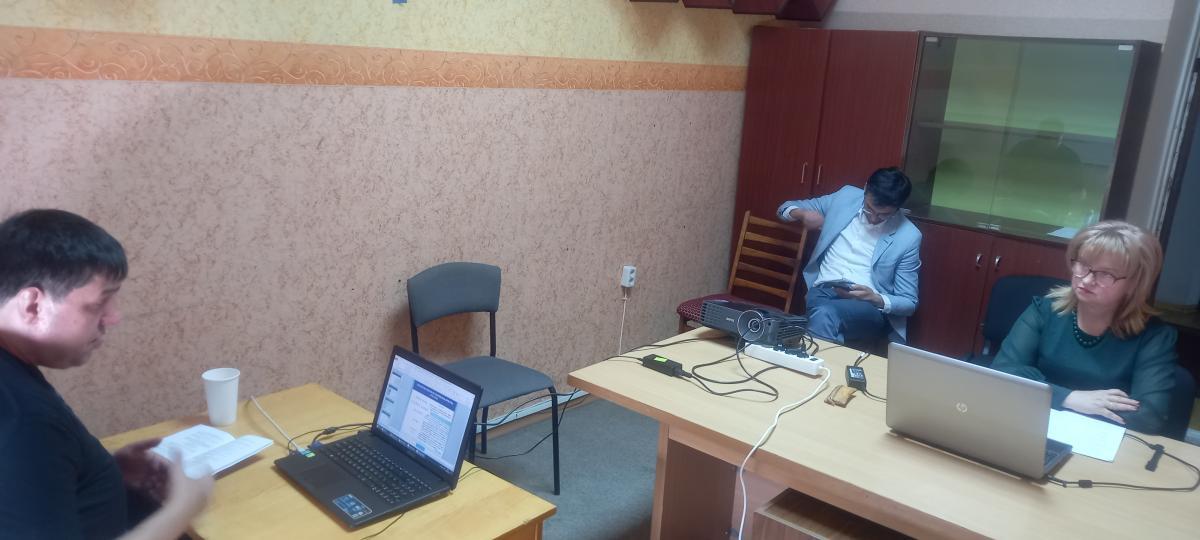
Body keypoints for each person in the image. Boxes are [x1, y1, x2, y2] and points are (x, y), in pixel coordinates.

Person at [0, 209, 213, 538]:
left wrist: (101, 474)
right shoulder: (23, 422)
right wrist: (184, 507)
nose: (114, 318)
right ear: (33, 306)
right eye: (100, 303)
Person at [991, 220, 1178, 435]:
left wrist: (1040, 388)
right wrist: (1070, 398)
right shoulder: (1044, 310)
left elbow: (1149, 416)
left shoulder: (1155, 337)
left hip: (1100, 437)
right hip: (1032, 425)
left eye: (1106, 274)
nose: (1087, 280)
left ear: (1134, 284)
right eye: (1082, 265)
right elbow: (1003, 371)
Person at [777, 167, 921, 344]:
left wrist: (875, 298)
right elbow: (784, 208)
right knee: (824, 316)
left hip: (866, 306)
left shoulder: (908, 236)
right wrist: (802, 214)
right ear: (865, 188)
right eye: (869, 209)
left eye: (884, 215)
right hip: (823, 290)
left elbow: (909, 303)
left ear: (898, 208)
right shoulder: (845, 197)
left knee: (824, 314)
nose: (873, 218)